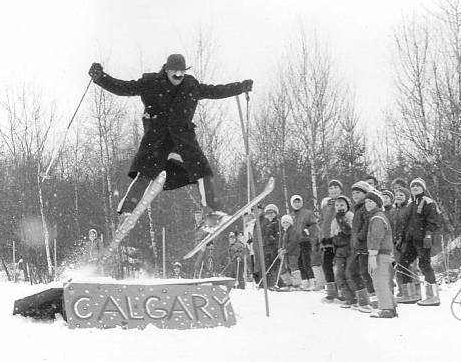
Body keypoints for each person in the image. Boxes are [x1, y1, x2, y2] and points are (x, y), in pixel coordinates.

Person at [88, 55, 253, 227]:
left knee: (202, 170)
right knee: (146, 172)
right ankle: (127, 210)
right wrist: (101, 78)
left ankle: (212, 214)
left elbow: (216, 91)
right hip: (157, 139)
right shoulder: (151, 83)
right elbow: (123, 88)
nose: (178, 75)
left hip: (182, 140)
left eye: (181, 72)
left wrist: (240, 87)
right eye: (174, 72)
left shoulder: (191, 86)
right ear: (166, 70)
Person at [397, 178, 440, 306]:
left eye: (418, 185)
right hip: (411, 240)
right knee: (403, 264)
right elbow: (407, 223)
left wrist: (428, 235)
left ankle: (433, 296)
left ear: (423, 188)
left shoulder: (428, 202)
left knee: (424, 265)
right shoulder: (412, 204)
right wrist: (402, 239)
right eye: (413, 186)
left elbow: (433, 221)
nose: (415, 187)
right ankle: (410, 294)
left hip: (423, 240)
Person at [364, 192, 397, 318]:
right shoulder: (378, 216)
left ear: (377, 204)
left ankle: (386, 308)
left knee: (379, 281)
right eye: (366, 202)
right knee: (383, 280)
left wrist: (372, 254)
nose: (368, 204)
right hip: (382, 253)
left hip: (379, 253)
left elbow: (376, 238)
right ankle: (390, 306)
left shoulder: (377, 217)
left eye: (370, 202)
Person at [347, 180, 374, 310]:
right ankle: (363, 301)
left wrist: (360, 237)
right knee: (353, 271)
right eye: (353, 193)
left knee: (365, 273)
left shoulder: (366, 207)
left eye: (358, 192)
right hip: (357, 247)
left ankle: (373, 301)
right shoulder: (357, 208)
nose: (355, 195)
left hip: (364, 246)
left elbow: (367, 224)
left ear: (365, 193)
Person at [318, 180, 343, 302]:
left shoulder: (343, 202)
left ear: (340, 190)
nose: (333, 190)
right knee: (326, 266)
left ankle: (343, 291)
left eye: (336, 187)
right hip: (326, 240)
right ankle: (332, 292)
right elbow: (322, 221)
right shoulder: (326, 205)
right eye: (331, 188)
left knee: (340, 266)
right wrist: (322, 234)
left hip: (339, 239)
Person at [330, 195, 355, 307]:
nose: (339, 207)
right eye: (337, 205)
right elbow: (333, 235)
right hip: (339, 251)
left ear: (347, 206)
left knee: (349, 274)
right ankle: (347, 296)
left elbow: (349, 232)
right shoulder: (334, 219)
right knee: (339, 275)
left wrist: (341, 220)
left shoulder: (350, 216)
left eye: (342, 205)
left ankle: (356, 296)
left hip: (349, 250)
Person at [289, 194, 318, 290]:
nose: (297, 204)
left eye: (298, 202)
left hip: (305, 241)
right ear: (292, 204)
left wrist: (308, 231)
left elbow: (313, 225)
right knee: (299, 262)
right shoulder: (291, 215)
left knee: (307, 261)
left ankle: (312, 281)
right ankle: (305, 281)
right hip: (296, 243)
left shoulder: (307, 213)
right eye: (295, 202)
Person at [278, 214, 301, 291]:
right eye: (283, 222)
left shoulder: (292, 231)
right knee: (284, 268)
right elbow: (283, 242)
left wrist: (286, 249)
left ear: (290, 223)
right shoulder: (285, 232)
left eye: (287, 222)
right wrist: (281, 249)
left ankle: (297, 284)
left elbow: (293, 242)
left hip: (293, 252)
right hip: (286, 253)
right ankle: (289, 283)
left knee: (293, 266)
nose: (285, 224)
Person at [261, 204, 281, 289]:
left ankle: (279, 282)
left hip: (274, 247)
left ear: (275, 213)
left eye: (272, 212)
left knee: (276, 265)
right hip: (267, 248)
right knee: (268, 265)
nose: (270, 214)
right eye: (268, 213)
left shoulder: (277, 222)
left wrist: (274, 240)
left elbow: (279, 234)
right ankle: (269, 283)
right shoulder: (265, 223)